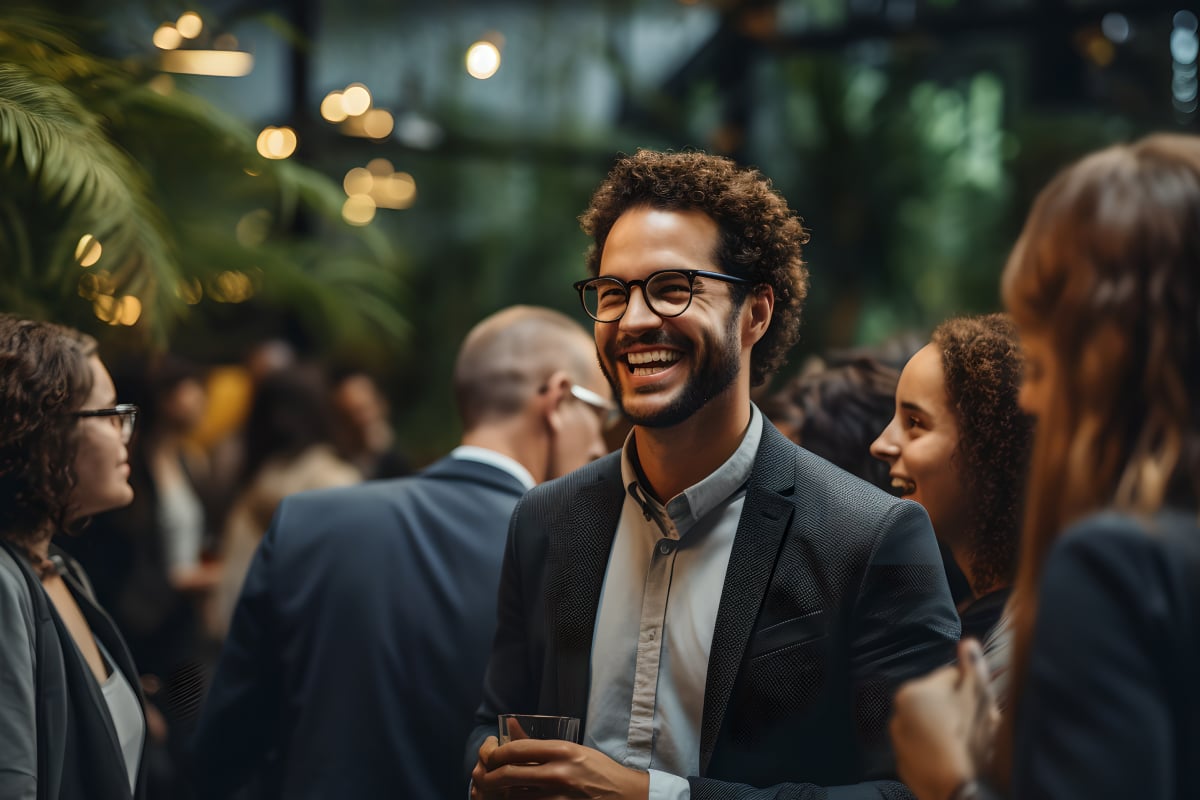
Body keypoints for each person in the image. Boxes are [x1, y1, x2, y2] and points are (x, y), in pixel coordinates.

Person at [468, 150, 960, 799]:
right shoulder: (545, 520)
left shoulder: (869, 537)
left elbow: (915, 792)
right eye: (613, 294)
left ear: (755, 312)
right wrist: (485, 766)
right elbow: (493, 719)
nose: (635, 319)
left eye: (673, 288)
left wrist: (653, 797)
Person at [191, 306, 614, 799]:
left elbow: (225, 746)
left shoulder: (306, 524)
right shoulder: (570, 558)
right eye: (601, 414)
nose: (599, 445)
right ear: (559, 400)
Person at [890, 133, 1200, 800]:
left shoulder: (1116, 566)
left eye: (1044, 352)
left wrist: (948, 777)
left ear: (1110, 349)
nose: (1030, 396)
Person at [0, 315, 148, 799]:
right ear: (42, 434)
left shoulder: (60, 569)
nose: (123, 432)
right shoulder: (5, 583)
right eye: (106, 413)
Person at [870, 314, 1031, 645]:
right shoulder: (977, 618)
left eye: (915, 422)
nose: (881, 445)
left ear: (988, 446)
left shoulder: (1023, 646)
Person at [207, 363, 361, 639]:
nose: (281, 419)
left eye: (291, 409)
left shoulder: (334, 476)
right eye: (273, 408)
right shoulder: (265, 469)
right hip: (247, 627)